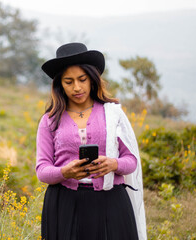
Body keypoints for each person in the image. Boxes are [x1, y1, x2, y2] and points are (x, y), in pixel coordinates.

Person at [35, 42, 147, 240]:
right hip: (65, 205)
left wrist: (114, 164)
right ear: (60, 84)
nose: (77, 87)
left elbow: (131, 161)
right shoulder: (49, 119)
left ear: (92, 80)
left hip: (111, 202)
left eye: (82, 79)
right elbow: (42, 170)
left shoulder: (113, 113)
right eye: (69, 82)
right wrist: (64, 172)